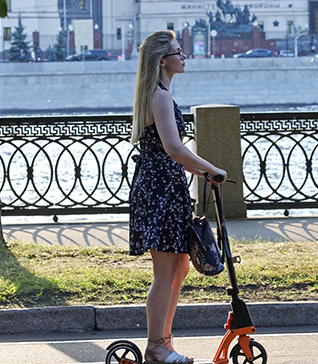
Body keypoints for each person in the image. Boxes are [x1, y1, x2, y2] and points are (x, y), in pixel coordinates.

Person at [129, 30, 226, 363]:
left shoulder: (158, 93)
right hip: (159, 191)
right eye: (178, 52)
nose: (184, 57)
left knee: (180, 267)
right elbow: (173, 147)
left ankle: (164, 342)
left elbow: (172, 150)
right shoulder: (159, 96)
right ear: (162, 60)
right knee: (166, 271)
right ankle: (156, 346)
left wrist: (199, 171)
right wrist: (211, 169)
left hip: (165, 188)